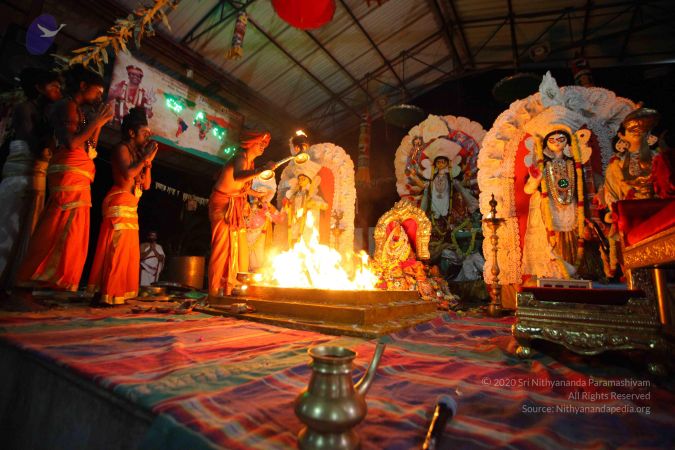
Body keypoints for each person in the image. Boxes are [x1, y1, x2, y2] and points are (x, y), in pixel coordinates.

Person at [14, 65, 113, 294]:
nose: (100, 97)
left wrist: (98, 124)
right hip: (67, 171)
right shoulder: (66, 105)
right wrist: (96, 122)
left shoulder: (79, 110)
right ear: (83, 86)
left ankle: (40, 285)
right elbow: (71, 143)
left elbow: (90, 146)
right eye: (98, 92)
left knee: (70, 233)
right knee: (53, 227)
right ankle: (22, 284)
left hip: (79, 173)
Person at [87, 108, 157, 305]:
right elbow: (128, 174)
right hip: (118, 201)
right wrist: (144, 158)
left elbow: (146, 185)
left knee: (127, 251)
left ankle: (116, 293)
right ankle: (107, 293)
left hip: (131, 205)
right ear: (132, 133)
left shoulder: (138, 153)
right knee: (115, 249)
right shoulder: (121, 148)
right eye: (144, 133)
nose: (147, 137)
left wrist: (148, 162)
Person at [0, 68, 62, 291]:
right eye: (53, 87)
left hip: (37, 177)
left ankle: (14, 286)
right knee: (9, 229)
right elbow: (31, 141)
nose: (58, 92)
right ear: (38, 88)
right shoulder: (24, 108)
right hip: (19, 175)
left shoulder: (47, 114)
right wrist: (49, 140)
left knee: (29, 231)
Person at [208, 131, 274, 296]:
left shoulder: (250, 162)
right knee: (222, 248)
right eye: (260, 143)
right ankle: (215, 291)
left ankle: (231, 288)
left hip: (235, 203)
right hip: (223, 205)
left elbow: (241, 187)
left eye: (264, 145)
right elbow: (238, 177)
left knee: (239, 247)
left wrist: (257, 194)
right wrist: (262, 169)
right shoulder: (241, 158)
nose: (263, 147)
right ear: (249, 143)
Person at [521, 127, 589, 279]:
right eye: (552, 140)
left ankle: (572, 271)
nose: (557, 143)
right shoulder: (542, 163)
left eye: (561, 139)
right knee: (551, 239)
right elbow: (527, 190)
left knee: (572, 236)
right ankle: (554, 272)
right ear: (546, 143)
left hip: (571, 206)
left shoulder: (574, 163)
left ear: (567, 142)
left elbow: (583, 187)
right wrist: (536, 179)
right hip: (549, 207)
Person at [285, 173, 328, 246]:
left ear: (309, 181)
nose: (300, 181)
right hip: (296, 220)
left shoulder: (312, 195)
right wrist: (288, 207)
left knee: (307, 240)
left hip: (308, 221)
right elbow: (290, 208)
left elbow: (325, 206)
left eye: (303, 179)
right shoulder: (295, 195)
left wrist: (312, 204)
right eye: (299, 179)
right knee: (294, 240)